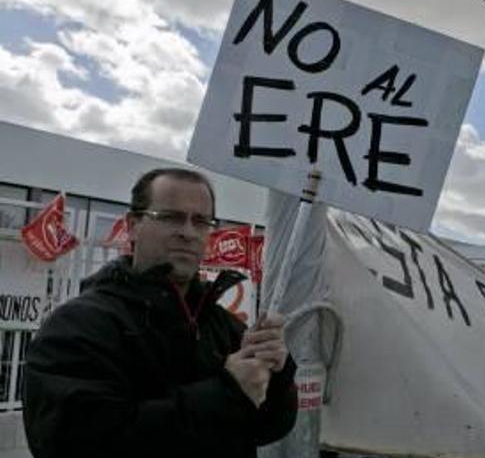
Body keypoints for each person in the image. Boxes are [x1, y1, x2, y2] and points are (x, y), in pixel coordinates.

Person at [23, 168, 297, 458]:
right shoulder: (77, 327)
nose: (188, 233)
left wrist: (276, 376)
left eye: (201, 221)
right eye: (170, 217)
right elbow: (75, 443)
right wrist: (226, 394)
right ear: (133, 225)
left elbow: (267, 428)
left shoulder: (223, 325)